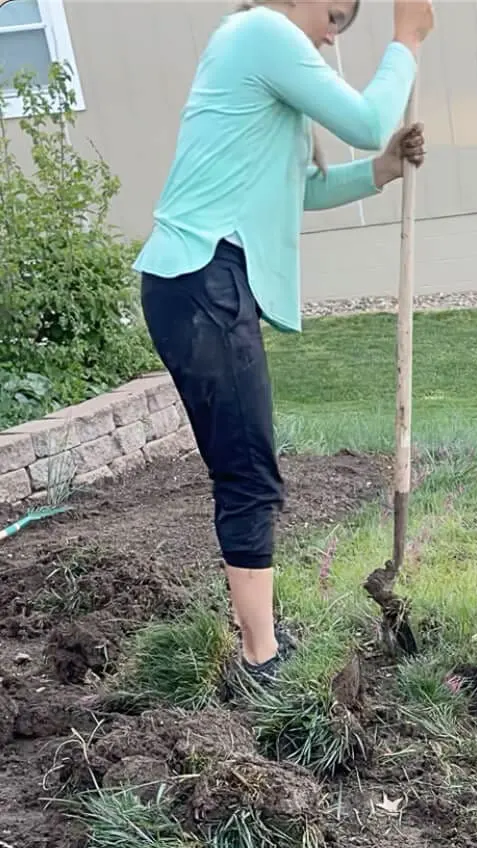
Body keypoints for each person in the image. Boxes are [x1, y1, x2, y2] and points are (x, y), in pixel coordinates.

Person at [136, 0, 435, 681]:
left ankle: (258, 634)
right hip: (202, 279)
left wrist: (381, 171)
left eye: (347, 21)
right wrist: (406, 41)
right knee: (249, 470)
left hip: (202, 283)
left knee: (245, 466)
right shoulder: (260, 31)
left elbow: (299, 189)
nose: (335, 30)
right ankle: (259, 657)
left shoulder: (261, 59)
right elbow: (363, 119)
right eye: (334, 12)